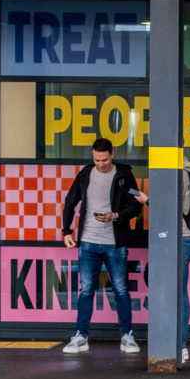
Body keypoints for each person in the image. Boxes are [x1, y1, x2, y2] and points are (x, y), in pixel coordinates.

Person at [61, 138, 144, 355]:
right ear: (92, 156)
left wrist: (116, 216)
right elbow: (71, 201)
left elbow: (135, 205)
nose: (101, 164)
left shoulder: (124, 174)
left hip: (115, 243)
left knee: (121, 289)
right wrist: (66, 231)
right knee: (86, 290)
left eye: (105, 159)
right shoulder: (86, 174)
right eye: (97, 159)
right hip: (88, 240)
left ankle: (127, 336)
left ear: (112, 155)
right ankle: (81, 335)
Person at [129, 156, 190, 365]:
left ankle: (178, 345)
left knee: (172, 292)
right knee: (176, 291)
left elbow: (170, 208)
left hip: (176, 237)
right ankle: (179, 344)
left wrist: (146, 200)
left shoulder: (177, 172)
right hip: (183, 238)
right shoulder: (188, 171)